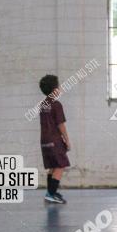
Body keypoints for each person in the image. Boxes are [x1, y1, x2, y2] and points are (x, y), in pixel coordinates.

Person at [38, 75, 71, 204]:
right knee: (60, 165)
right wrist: (67, 140)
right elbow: (60, 124)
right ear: (54, 90)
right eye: (58, 86)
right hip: (54, 139)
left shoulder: (43, 104)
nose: (60, 88)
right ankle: (51, 194)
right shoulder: (56, 105)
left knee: (52, 166)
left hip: (44, 140)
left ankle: (50, 192)